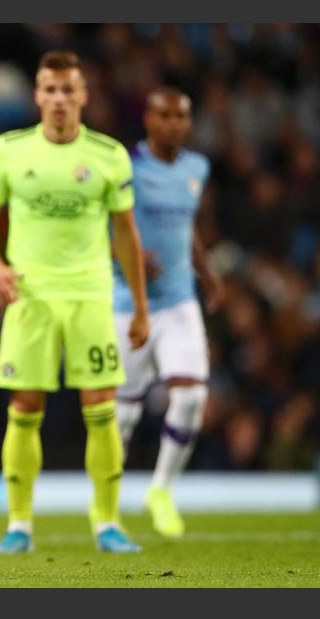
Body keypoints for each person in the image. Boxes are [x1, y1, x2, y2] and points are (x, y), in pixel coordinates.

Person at [0, 50, 149, 554]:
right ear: (37, 95)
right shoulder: (9, 150)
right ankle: (19, 526)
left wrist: (139, 307)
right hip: (30, 294)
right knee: (24, 406)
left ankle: (107, 523)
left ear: (83, 96)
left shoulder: (110, 155)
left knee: (102, 407)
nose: (58, 99)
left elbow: (126, 235)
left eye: (68, 90)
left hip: (91, 293)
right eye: (49, 89)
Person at [113, 87, 222, 539]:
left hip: (180, 301)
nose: (175, 124)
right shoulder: (127, 168)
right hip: (127, 303)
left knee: (193, 395)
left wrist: (208, 273)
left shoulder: (197, 168)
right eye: (166, 116)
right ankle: (107, 500)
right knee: (122, 414)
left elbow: (187, 228)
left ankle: (161, 491)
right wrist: (126, 259)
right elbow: (107, 225)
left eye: (182, 116)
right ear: (149, 121)